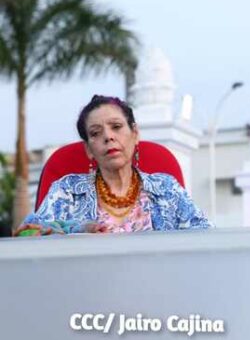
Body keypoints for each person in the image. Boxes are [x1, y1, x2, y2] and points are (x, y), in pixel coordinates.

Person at [16, 95, 210, 235]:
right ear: (89, 149)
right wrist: (78, 229)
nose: (108, 136)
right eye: (95, 133)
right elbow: (26, 235)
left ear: (135, 134)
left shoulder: (166, 189)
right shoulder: (66, 191)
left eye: (116, 127)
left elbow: (206, 238)